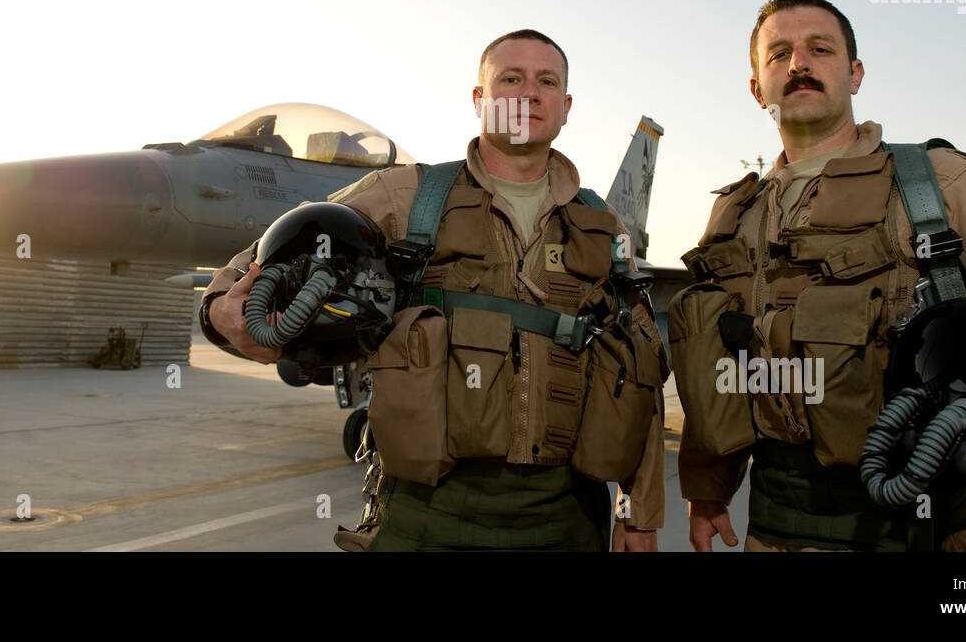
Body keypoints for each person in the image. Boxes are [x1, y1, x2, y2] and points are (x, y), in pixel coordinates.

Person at [672, 0, 966, 552]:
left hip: (924, 531)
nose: (798, 65)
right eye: (779, 54)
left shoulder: (940, 185)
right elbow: (721, 363)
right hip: (774, 529)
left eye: (820, 49)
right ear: (756, 88)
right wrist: (709, 490)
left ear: (855, 73)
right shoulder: (734, 220)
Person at [201, 29, 668, 551]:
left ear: (566, 107)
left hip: (566, 517)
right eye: (510, 79)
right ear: (479, 100)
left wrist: (638, 511)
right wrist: (224, 309)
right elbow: (268, 256)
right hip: (426, 516)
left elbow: (640, 367)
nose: (528, 93)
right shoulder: (409, 197)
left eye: (546, 81)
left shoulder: (602, 225)